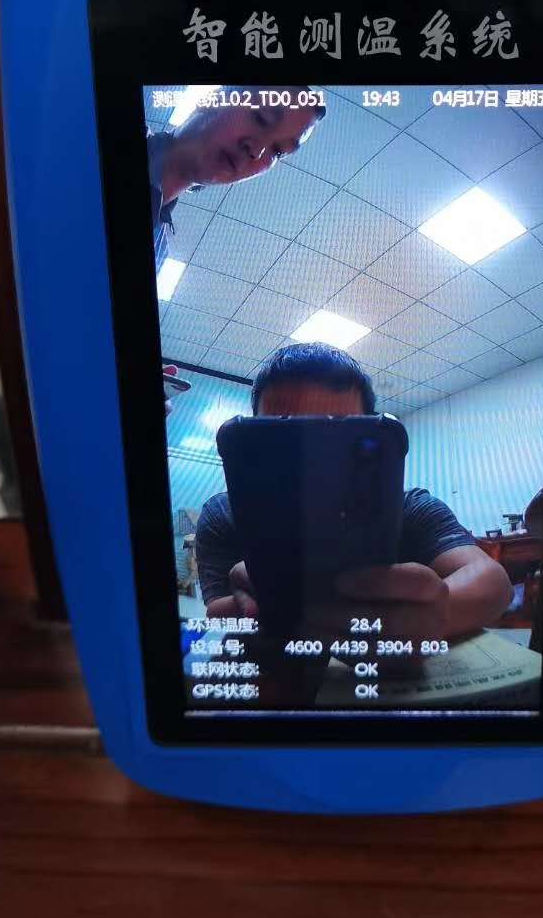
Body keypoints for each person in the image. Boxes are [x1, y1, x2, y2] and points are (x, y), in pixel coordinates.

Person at [195, 342, 513, 645]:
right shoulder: (224, 513)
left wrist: (438, 614)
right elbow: (218, 611)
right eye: (283, 437)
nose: (311, 461)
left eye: (336, 436)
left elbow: (493, 582)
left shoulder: (411, 507)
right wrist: (252, 608)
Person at [149, 96, 325, 268]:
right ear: (213, 100)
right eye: (262, 118)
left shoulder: (159, 248)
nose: (257, 151)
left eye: (278, 150)